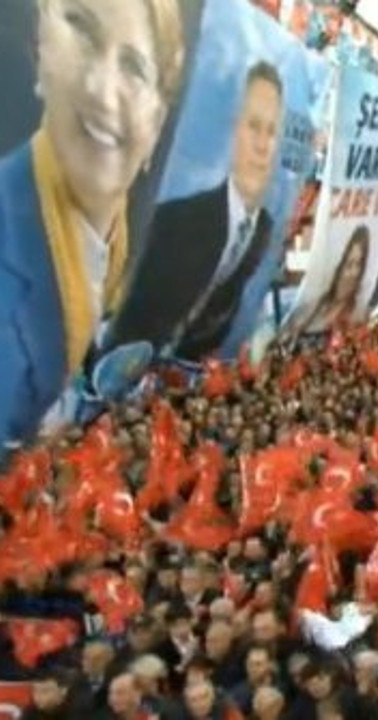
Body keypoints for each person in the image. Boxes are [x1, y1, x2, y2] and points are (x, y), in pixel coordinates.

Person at [0, 0, 185, 452]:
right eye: (82, 30)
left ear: (157, 123)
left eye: (135, 67)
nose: (102, 92)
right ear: (42, 46)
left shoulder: (153, 253)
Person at [108, 60, 285, 362]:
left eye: (272, 132)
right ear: (233, 130)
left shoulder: (266, 230)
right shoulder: (173, 220)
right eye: (254, 126)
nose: (263, 145)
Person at [281, 226, 372, 338]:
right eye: (349, 265)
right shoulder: (308, 309)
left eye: (358, 265)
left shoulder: (360, 312)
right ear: (339, 268)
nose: (354, 273)